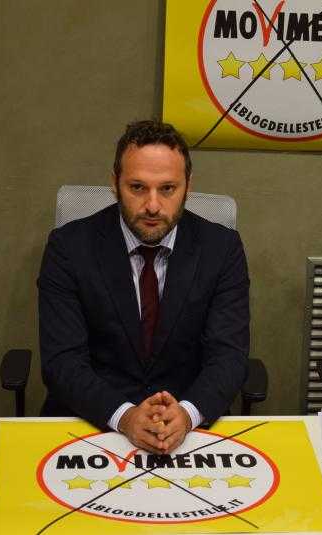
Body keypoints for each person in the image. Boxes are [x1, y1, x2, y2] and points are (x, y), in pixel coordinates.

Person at [38, 120, 249, 453]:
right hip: (92, 423)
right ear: (114, 183)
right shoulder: (68, 248)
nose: (152, 205)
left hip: (189, 430)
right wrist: (124, 416)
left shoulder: (222, 249)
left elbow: (229, 355)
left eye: (167, 189)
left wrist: (188, 413)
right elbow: (62, 361)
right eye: (137, 187)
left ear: (188, 186)